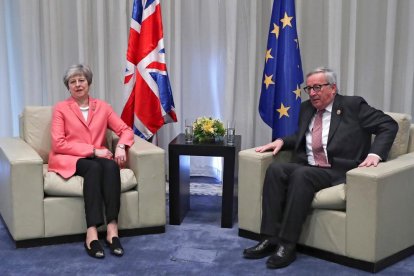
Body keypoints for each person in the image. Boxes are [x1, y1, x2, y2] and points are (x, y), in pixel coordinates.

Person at [242, 67, 398, 269]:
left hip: (337, 170)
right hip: (310, 166)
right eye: (309, 88)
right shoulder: (307, 108)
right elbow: (304, 136)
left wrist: (374, 154)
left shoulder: (353, 105)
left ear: (332, 88)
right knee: (276, 169)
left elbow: (389, 125)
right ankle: (269, 238)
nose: (313, 93)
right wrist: (282, 141)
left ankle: (287, 245)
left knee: (301, 174)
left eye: (317, 87)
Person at [48, 64, 134, 259]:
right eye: (73, 82)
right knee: (94, 168)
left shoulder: (103, 107)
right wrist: (94, 150)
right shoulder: (61, 108)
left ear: (89, 83)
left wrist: (121, 146)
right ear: (68, 86)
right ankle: (92, 233)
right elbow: (58, 144)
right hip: (68, 158)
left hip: (96, 156)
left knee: (111, 166)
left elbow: (126, 130)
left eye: (81, 80)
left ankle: (112, 230)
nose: (78, 85)